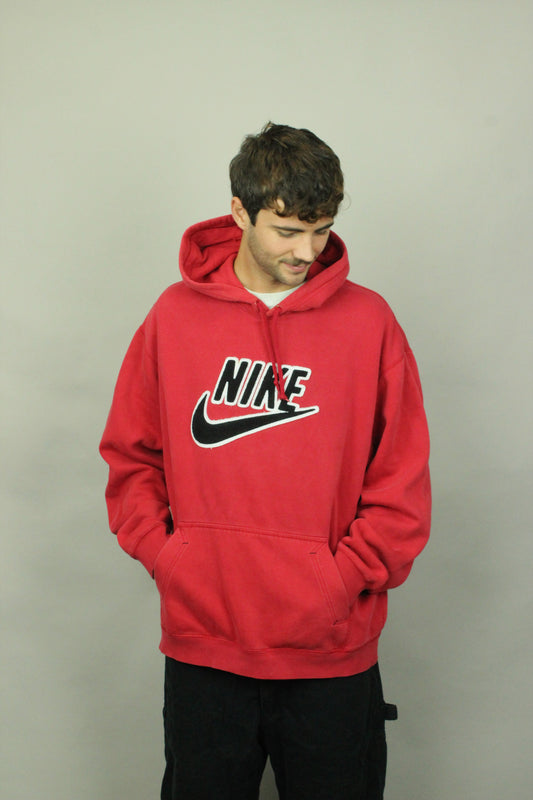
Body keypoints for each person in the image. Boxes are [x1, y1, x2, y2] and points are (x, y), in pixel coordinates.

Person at [99, 122, 431, 800]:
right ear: (239, 212)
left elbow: (401, 484)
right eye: (287, 231)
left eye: (322, 230)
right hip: (204, 643)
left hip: (330, 653)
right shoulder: (173, 317)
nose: (306, 251)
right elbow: (131, 456)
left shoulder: (369, 322)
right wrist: (172, 560)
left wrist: (338, 583)